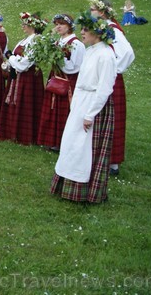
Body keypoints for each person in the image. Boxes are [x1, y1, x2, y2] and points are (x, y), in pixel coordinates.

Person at [51, 11, 116, 203]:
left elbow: (104, 88)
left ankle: (86, 191)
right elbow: (80, 82)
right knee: (72, 143)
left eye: (86, 30)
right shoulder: (90, 51)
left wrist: (90, 114)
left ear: (97, 32)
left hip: (94, 105)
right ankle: (67, 186)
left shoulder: (105, 55)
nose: (82, 33)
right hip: (81, 102)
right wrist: (76, 106)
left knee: (85, 147)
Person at [89, 0, 134, 176]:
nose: (90, 11)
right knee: (100, 116)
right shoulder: (101, 28)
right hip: (101, 78)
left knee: (111, 118)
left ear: (101, 11)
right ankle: (99, 157)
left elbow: (128, 54)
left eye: (92, 9)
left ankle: (112, 162)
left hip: (111, 80)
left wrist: (112, 69)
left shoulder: (112, 29)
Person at [36, 14, 86, 151]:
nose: (58, 27)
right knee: (53, 109)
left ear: (69, 26)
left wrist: (56, 58)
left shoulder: (76, 44)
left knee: (65, 111)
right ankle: (52, 140)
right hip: (56, 78)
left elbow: (73, 67)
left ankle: (65, 143)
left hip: (67, 81)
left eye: (61, 24)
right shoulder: (58, 42)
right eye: (56, 24)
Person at [0, 12, 46, 145]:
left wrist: (11, 57)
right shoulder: (25, 40)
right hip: (18, 76)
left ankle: (26, 136)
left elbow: (24, 64)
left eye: (25, 24)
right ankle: (13, 133)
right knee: (15, 103)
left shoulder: (37, 40)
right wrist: (12, 59)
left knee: (26, 104)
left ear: (32, 25)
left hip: (29, 76)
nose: (22, 26)